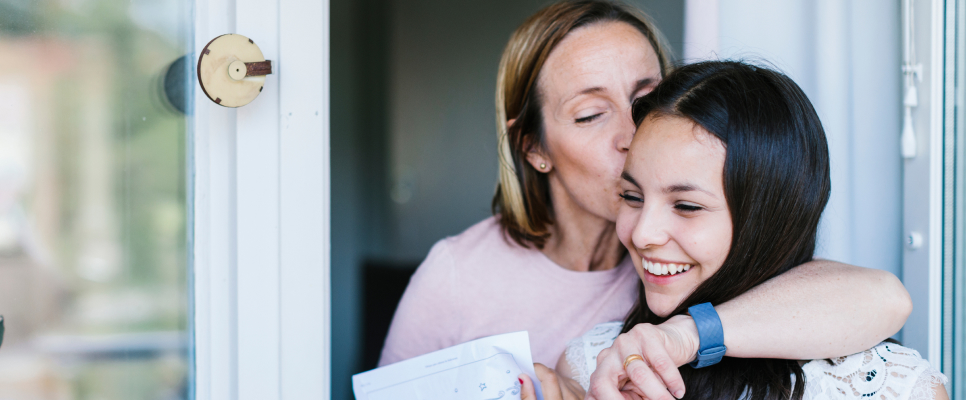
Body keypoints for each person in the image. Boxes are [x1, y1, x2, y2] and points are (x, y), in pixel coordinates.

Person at [380, 2, 912, 399]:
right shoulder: (458, 276)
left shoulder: (701, 255)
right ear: (535, 148)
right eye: (590, 115)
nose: (633, 133)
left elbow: (878, 298)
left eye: (644, 101)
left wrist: (684, 336)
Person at [519, 60, 948, 400]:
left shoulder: (889, 388)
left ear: (770, 216)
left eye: (686, 205)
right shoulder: (592, 365)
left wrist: (688, 336)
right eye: (632, 198)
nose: (642, 233)